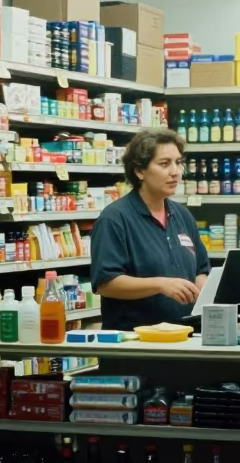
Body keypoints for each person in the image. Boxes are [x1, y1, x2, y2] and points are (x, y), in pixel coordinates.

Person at [90, 128, 210, 330]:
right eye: (164, 164)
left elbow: (200, 269)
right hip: (135, 346)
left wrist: (202, 292)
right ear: (139, 171)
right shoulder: (115, 219)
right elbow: (106, 283)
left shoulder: (182, 215)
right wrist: (161, 285)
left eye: (178, 162)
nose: (175, 171)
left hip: (184, 338)